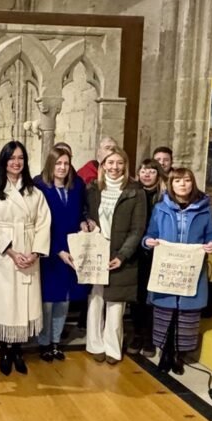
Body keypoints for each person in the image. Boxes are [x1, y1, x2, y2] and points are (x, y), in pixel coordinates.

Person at [0, 141, 51, 376]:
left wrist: (35, 252)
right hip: (3, 256)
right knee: (5, 303)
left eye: (20, 158)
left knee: (23, 304)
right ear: (4, 161)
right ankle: (4, 350)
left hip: (28, 251)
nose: (16, 162)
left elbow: (44, 223)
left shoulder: (34, 191)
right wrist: (9, 250)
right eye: (12, 158)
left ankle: (18, 350)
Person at [143, 168, 212, 375]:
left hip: (192, 269)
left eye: (187, 180)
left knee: (186, 316)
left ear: (192, 183)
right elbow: (150, 233)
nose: (183, 184)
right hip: (167, 268)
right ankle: (165, 352)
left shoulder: (204, 209)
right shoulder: (161, 208)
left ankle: (179, 355)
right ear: (171, 184)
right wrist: (148, 241)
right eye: (178, 181)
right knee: (165, 313)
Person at [84, 147, 146, 365]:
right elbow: (85, 213)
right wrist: (86, 222)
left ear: (125, 165)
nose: (114, 167)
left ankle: (112, 347)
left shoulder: (135, 191)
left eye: (119, 163)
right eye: (110, 163)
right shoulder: (93, 188)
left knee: (116, 304)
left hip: (120, 254)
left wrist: (123, 255)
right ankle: (95, 344)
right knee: (96, 299)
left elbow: (138, 229)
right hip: (97, 251)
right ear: (103, 165)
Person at [34, 146, 90, 362]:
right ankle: (43, 341)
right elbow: (39, 223)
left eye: (66, 163)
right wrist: (57, 249)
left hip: (73, 249)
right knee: (47, 301)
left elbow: (82, 211)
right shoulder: (39, 187)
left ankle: (56, 341)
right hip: (50, 251)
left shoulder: (77, 186)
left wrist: (85, 221)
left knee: (64, 300)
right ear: (50, 164)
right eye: (58, 163)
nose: (62, 167)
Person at [127, 159, 165, 358]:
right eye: (143, 170)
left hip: (157, 252)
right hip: (135, 251)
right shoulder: (132, 192)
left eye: (151, 171)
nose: (147, 174)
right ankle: (137, 334)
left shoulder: (164, 198)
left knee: (153, 297)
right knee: (137, 296)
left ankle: (150, 337)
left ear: (158, 174)